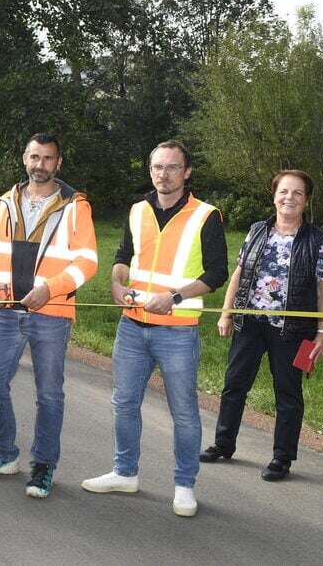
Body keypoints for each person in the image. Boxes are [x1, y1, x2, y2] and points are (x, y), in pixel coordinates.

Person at [82, 140, 227, 518]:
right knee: (124, 403)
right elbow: (122, 258)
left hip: (177, 330)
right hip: (132, 327)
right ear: (150, 171)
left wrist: (175, 297)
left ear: (187, 172)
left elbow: (216, 273)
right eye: (157, 167)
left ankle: (184, 486)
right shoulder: (138, 210)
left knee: (184, 412)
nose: (164, 174)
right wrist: (116, 285)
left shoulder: (205, 215)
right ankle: (124, 472)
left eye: (172, 167)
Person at [0, 134, 98, 499]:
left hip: (52, 313)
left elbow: (87, 261)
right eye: (33, 157)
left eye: (47, 158)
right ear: (24, 158)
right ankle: (4, 453)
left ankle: (43, 465)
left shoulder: (75, 206)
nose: (39, 164)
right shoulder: (3, 203)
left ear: (58, 163)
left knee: (49, 395)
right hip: (7, 311)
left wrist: (50, 289)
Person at [201, 170, 323, 481]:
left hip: (292, 330)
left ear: (307, 200)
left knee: (288, 393)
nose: (289, 198)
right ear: (274, 195)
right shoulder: (258, 230)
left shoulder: (318, 241)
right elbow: (239, 273)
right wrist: (227, 312)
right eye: (284, 192)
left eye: (297, 193)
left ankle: (282, 457)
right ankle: (223, 444)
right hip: (250, 323)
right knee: (234, 384)